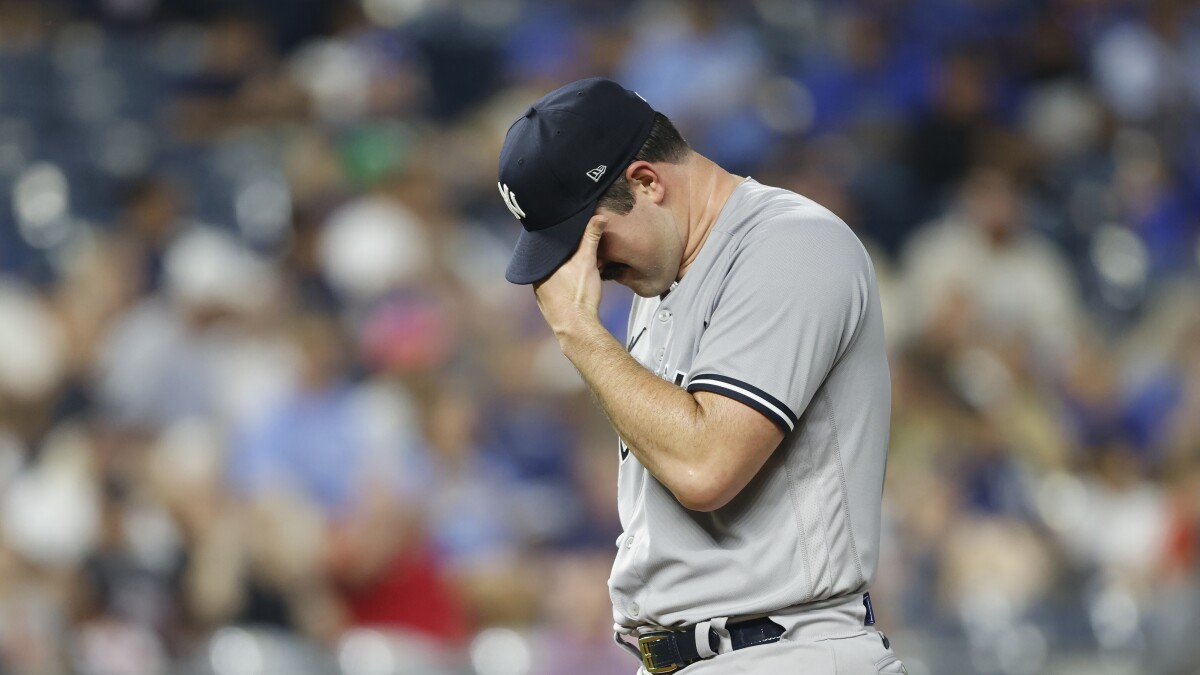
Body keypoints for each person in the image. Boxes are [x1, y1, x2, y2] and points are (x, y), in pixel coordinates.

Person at [499, 77, 906, 674]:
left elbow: (705, 467)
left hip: (782, 652)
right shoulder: (665, 270)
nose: (593, 269)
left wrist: (578, 331)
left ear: (646, 182)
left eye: (591, 242)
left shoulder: (791, 244)